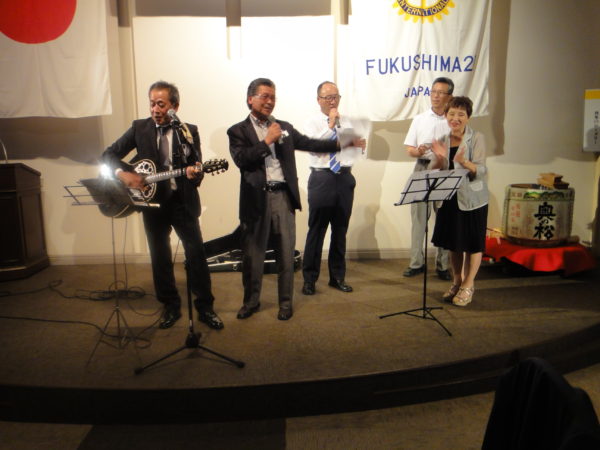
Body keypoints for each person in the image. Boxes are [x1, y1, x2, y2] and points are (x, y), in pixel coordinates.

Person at [227, 78, 362, 321]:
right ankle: (251, 302)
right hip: (255, 199)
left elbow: (311, 143)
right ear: (250, 99)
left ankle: (286, 303)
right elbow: (242, 159)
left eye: (273, 97)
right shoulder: (237, 130)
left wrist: (343, 143)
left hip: (283, 196)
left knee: (286, 254)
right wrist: (266, 141)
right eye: (265, 96)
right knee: (254, 256)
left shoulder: (284, 127)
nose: (270, 101)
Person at [102, 80, 224, 330]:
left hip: (182, 202)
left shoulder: (188, 131)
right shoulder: (139, 128)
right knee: (159, 256)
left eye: (161, 104)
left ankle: (205, 307)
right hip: (152, 203)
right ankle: (170, 305)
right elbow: (108, 155)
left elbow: (197, 171)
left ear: (174, 107)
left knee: (196, 254)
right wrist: (123, 174)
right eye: (152, 104)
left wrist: (195, 173)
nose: (155, 110)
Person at [301, 81, 365, 296]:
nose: (332, 101)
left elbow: (353, 151)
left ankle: (337, 277)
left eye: (335, 96)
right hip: (322, 178)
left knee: (340, 230)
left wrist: (359, 146)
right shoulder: (311, 123)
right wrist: (330, 126)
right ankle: (309, 279)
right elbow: (313, 148)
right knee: (317, 229)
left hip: (344, 177)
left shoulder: (348, 122)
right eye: (328, 97)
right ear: (318, 99)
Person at [429, 96, 488, 307]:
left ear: (468, 117)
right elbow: (435, 170)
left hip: (472, 199)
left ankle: (468, 284)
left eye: (461, 114)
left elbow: (481, 170)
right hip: (449, 198)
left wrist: (464, 162)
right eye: (452, 113)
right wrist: (438, 158)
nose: (456, 118)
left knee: (473, 243)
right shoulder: (443, 139)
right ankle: (457, 281)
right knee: (454, 244)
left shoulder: (477, 138)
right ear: (446, 115)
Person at [403, 77, 454, 281]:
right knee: (418, 219)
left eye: (441, 92)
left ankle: (443, 265)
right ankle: (416, 263)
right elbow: (409, 149)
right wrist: (418, 151)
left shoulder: (453, 121)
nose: (435, 96)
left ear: (449, 96)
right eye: (433, 92)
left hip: (444, 170)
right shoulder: (420, 119)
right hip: (422, 168)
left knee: (444, 219)